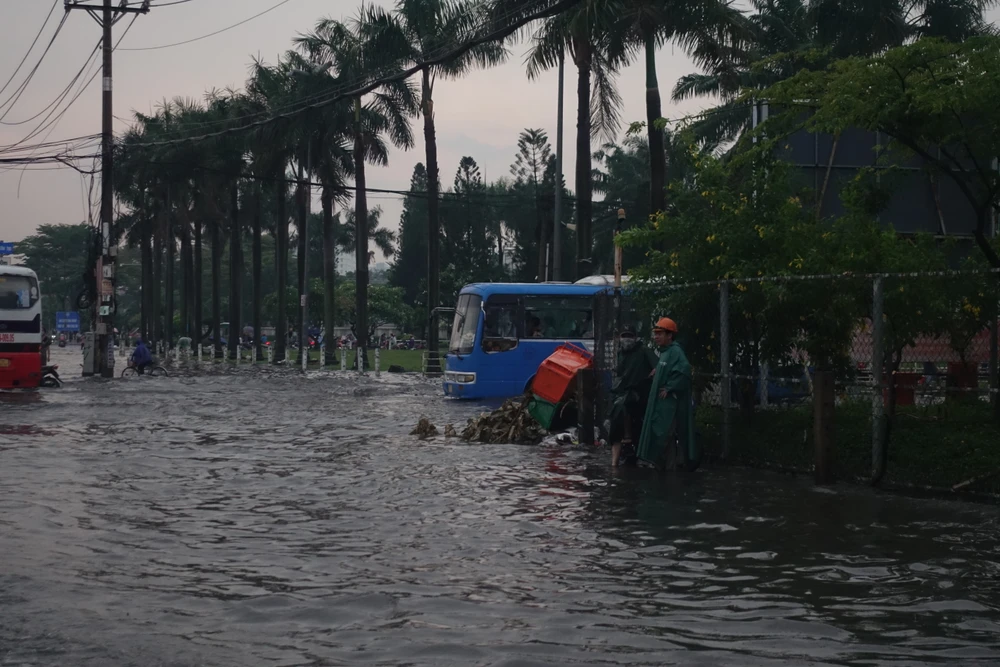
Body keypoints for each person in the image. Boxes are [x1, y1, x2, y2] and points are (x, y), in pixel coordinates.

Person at [637, 317, 696, 471]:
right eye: (655, 334)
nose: (656, 337)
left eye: (660, 334)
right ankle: (667, 468)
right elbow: (669, 368)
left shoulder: (675, 351)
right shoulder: (665, 352)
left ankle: (668, 468)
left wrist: (670, 387)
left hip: (669, 404)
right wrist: (658, 370)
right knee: (663, 435)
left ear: (670, 335)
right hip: (661, 403)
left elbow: (684, 371)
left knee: (665, 433)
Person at [606, 325, 658, 467]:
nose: (627, 339)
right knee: (615, 411)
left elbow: (657, 366)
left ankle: (628, 439)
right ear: (619, 338)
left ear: (635, 338)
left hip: (639, 392)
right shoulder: (620, 353)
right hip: (622, 392)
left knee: (622, 406)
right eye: (624, 336)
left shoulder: (644, 351)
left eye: (630, 336)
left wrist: (652, 375)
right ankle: (615, 461)